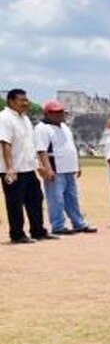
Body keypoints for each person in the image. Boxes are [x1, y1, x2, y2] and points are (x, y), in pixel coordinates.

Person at [1, 88, 55, 244]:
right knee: (15, 203)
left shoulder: (24, 119)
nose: (26, 103)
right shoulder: (4, 118)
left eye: (26, 100)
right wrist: (10, 168)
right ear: (11, 101)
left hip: (28, 168)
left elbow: (30, 146)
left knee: (36, 199)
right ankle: (17, 234)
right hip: (13, 170)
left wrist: (38, 166)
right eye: (21, 100)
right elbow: (5, 143)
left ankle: (38, 231)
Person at [34, 100, 96, 235]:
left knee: (72, 198)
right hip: (55, 169)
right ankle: (58, 226)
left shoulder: (65, 127)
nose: (61, 114)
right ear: (48, 114)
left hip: (69, 168)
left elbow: (71, 147)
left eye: (62, 112)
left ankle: (78, 223)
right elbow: (41, 150)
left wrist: (77, 165)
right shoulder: (42, 128)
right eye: (57, 112)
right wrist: (48, 168)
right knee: (56, 199)